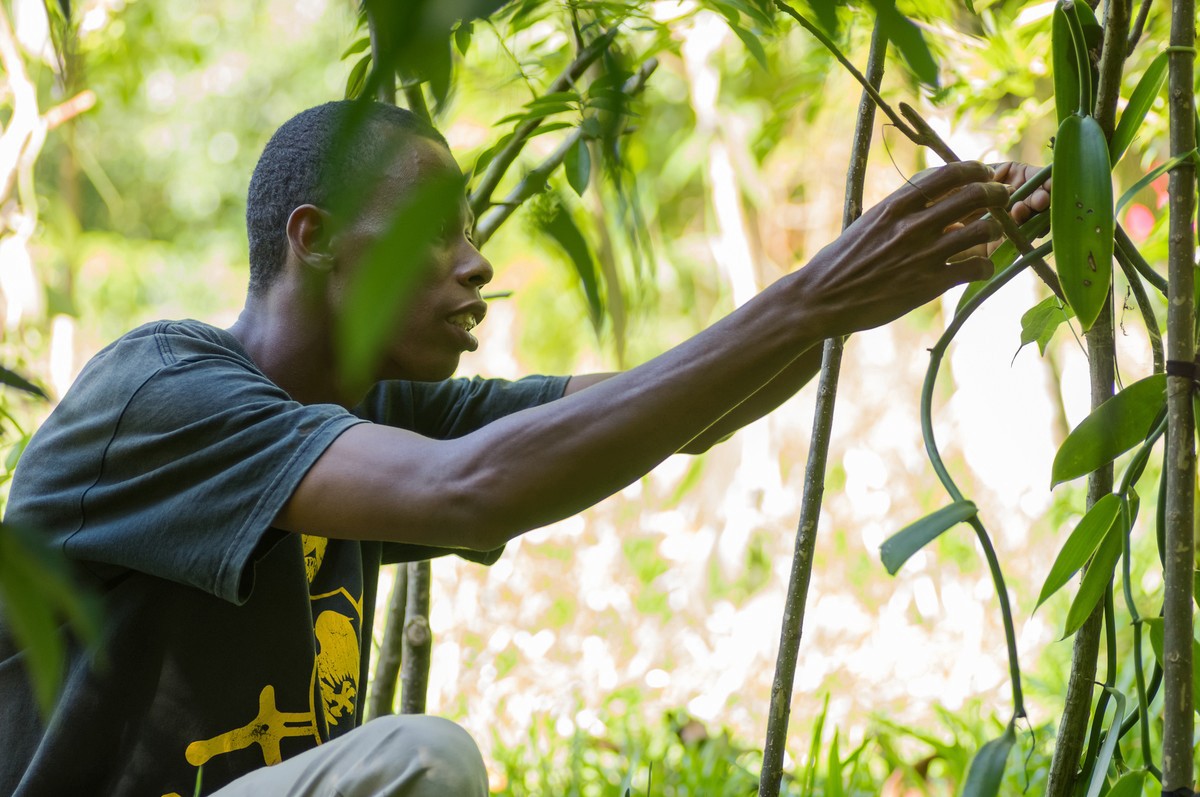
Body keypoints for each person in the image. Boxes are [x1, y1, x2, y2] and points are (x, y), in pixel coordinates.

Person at [0, 100, 1048, 796]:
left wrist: (854, 300)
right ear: (312, 241)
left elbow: (676, 409)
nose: (478, 266)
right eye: (437, 234)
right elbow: (474, 491)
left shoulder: (372, 403)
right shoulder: (162, 396)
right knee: (421, 757)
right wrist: (812, 295)